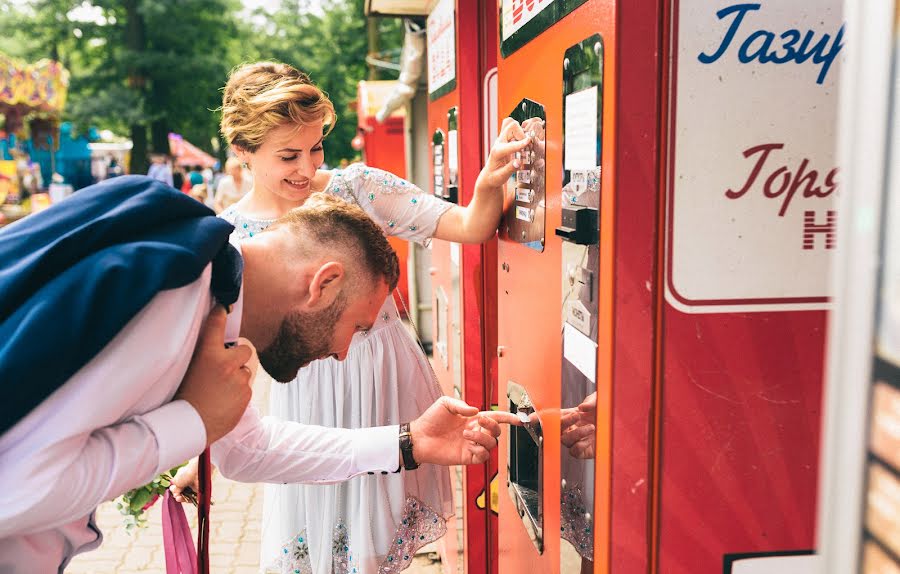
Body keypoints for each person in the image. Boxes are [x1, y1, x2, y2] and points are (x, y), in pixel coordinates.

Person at [0, 177, 516, 573]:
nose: (341, 355)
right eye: (356, 328)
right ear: (323, 284)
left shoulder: (202, 280)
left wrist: (409, 442)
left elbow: (247, 450)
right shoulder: (172, 295)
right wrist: (190, 423)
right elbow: (17, 490)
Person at [186, 61, 529, 574]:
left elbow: (468, 225)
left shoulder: (356, 189)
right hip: (304, 396)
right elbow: (224, 361)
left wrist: (487, 185)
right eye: (287, 155)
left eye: (316, 147)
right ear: (242, 152)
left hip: (381, 381)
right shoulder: (227, 237)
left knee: (371, 545)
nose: (306, 168)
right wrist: (198, 450)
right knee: (318, 541)